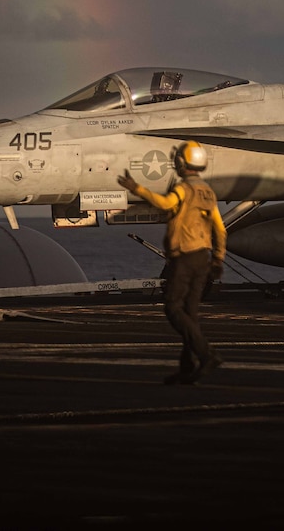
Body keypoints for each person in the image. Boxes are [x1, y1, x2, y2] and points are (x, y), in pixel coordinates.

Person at [118, 141, 227, 385]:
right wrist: (219, 258)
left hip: (185, 258)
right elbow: (219, 229)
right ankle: (187, 368)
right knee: (190, 313)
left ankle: (207, 355)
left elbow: (166, 204)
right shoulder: (208, 192)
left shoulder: (184, 189)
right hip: (203, 258)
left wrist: (136, 188)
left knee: (172, 308)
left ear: (180, 163)